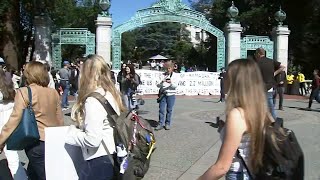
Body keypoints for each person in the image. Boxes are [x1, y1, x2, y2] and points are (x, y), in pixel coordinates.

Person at [199, 59, 275, 180]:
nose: (223, 79)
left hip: (239, 173)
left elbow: (221, 167)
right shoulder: (261, 109)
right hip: (255, 171)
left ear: (236, 81)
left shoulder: (237, 114)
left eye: (226, 75)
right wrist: (225, 129)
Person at [0, 61, 63, 180]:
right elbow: (59, 119)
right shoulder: (53, 92)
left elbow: (14, 119)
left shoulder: (24, 92)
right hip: (52, 140)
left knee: (45, 175)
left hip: (35, 141)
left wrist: (2, 140)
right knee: (35, 173)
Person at [65, 54, 125, 180]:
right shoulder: (111, 93)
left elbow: (93, 140)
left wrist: (70, 134)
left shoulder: (93, 100)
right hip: (113, 154)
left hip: (98, 159)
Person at [0, 68, 28, 179]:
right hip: (11, 123)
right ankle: (20, 177)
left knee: (11, 156)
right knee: (12, 156)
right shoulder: (11, 89)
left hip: (2, 123)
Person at [254, 48, 285, 119]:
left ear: (258, 54)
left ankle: (271, 121)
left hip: (259, 86)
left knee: (261, 105)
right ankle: (271, 120)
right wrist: (274, 73)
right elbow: (282, 67)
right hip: (270, 85)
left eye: (256, 54)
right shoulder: (271, 61)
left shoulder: (256, 63)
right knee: (269, 105)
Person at [155, 61, 178, 131]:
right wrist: (162, 81)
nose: (168, 70)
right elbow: (157, 85)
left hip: (171, 94)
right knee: (161, 110)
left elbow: (175, 86)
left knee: (169, 110)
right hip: (163, 94)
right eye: (166, 68)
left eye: (169, 68)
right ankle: (160, 123)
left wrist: (170, 83)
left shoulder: (175, 76)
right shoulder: (162, 75)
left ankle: (167, 123)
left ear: (172, 68)